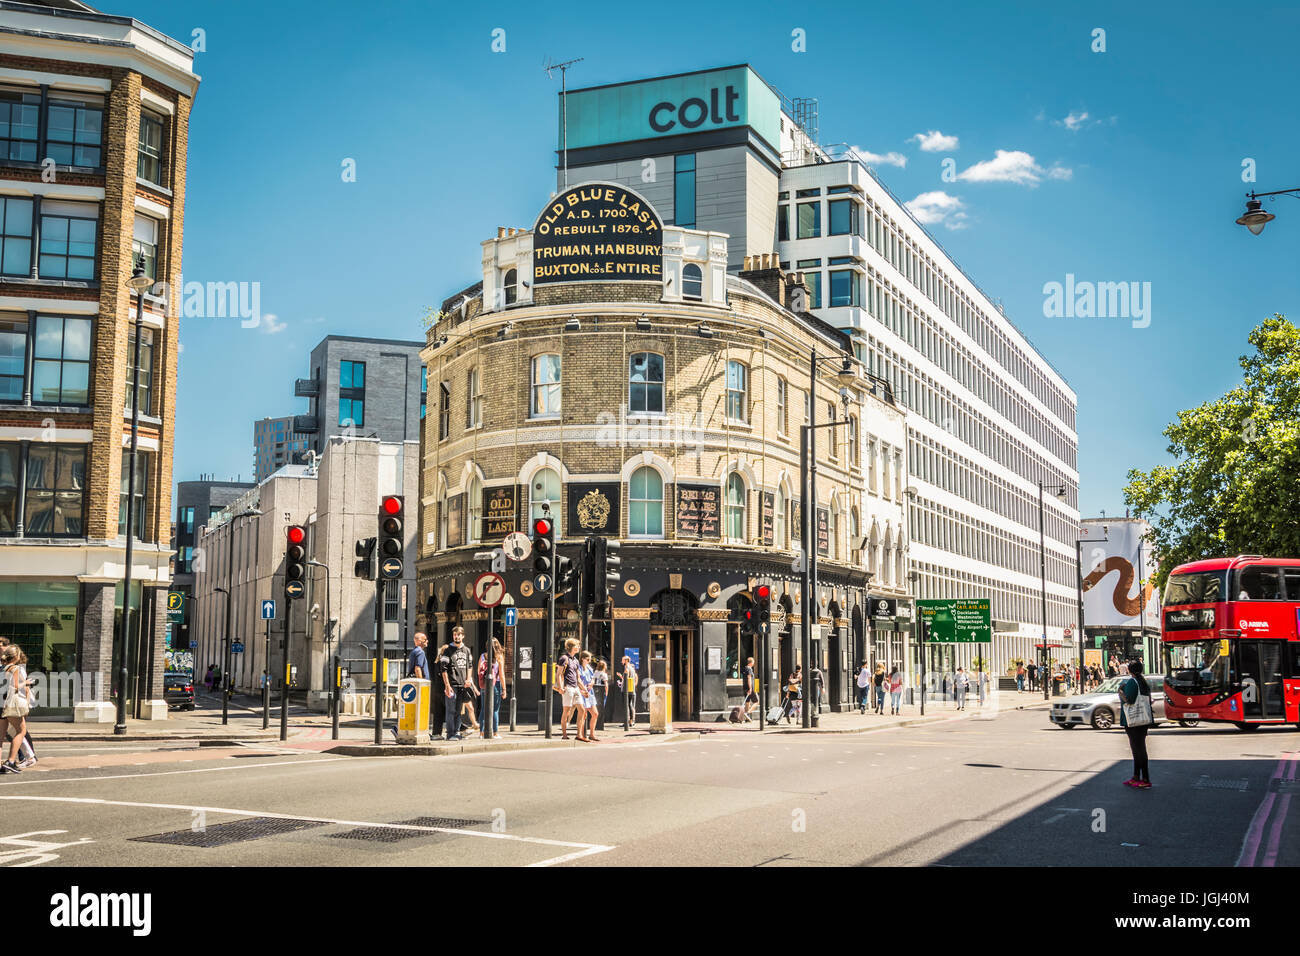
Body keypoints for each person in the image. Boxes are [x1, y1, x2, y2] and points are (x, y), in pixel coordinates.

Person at [1118, 658, 1154, 789]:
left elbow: (1129, 700)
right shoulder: (1143, 682)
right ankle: (1136, 776)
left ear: (1130, 670)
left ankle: (1144, 778)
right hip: (1143, 719)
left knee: (1138, 749)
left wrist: (1120, 691)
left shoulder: (1133, 682)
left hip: (1134, 721)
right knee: (1138, 748)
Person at [439, 626, 475, 740]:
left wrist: (468, 679)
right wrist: (447, 685)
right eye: (455, 634)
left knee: (459, 711)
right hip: (452, 685)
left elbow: (470, 666)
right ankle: (450, 734)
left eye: (459, 634)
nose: (457, 636)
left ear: (463, 636)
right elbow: (443, 669)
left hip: (463, 685)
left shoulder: (467, 650)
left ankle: (456, 732)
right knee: (451, 710)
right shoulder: (447, 650)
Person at [1, 646, 32, 774]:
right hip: (9, 705)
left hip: (0, 704)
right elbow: (13, 687)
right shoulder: (15, 668)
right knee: (21, 730)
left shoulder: (1, 668)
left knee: (0, 737)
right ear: (15, 657)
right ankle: (11, 761)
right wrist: (25, 683)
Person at [557, 638, 584, 741]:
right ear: (572, 647)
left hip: (576, 687)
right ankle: (564, 735)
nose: (579, 647)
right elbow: (559, 674)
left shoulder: (576, 660)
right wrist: (560, 687)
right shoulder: (564, 658)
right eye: (577, 645)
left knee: (582, 710)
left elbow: (578, 678)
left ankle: (579, 735)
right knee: (566, 711)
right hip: (568, 687)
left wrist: (584, 689)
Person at [477, 638, 505, 736]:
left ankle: (482, 732)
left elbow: (478, 671)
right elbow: (501, 675)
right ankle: (495, 733)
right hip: (496, 684)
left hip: (484, 684)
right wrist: (504, 689)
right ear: (497, 645)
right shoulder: (499, 657)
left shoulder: (483, 656)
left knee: (484, 708)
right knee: (495, 709)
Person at [577, 650, 598, 742]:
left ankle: (592, 734)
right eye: (588, 659)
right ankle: (581, 735)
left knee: (595, 714)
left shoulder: (589, 668)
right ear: (582, 659)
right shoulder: (579, 668)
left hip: (590, 692)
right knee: (584, 714)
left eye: (590, 659)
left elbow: (593, 678)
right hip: (582, 692)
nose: (589, 661)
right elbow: (578, 680)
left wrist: (592, 683)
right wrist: (583, 689)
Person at [620, 655, 638, 727]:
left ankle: (628, 722)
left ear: (626, 661)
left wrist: (623, 680)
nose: (622, 661)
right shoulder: (632, 668)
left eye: (623, 660)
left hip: (627, 689)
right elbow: (635, 677)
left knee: (627, 705)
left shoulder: (627, 668)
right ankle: (631, 721)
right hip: (632, 689)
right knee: (631, 705)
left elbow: (626, 678)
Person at [592, 659, 609, 730]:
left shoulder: (595, 672)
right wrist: (607, 692)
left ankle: (594, 723)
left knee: (595, 707)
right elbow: (606, 684)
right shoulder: (604, 674)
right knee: (601, 708)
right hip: (602, 692)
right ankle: (600, 724)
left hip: (595, 691)